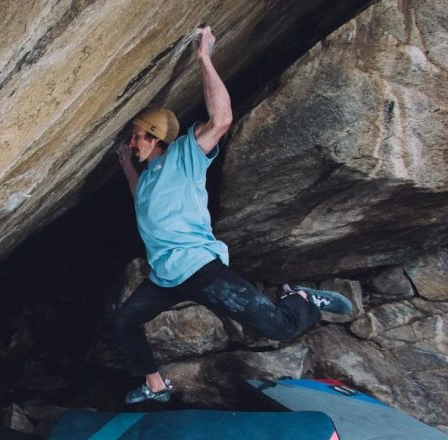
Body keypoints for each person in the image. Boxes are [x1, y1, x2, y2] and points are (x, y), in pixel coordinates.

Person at [114, 27, 352, 405]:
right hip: (165, 276)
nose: (132, 142)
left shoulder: (183, 157)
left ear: (157, 136)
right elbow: (137, 197)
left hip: (201, 270)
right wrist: (127, 163)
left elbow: (221, 119)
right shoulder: (145, 182)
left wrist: (204, 58)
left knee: (279, 326)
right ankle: (155, 386)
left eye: (137, 136)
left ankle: (303, 298)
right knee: (123, 322)